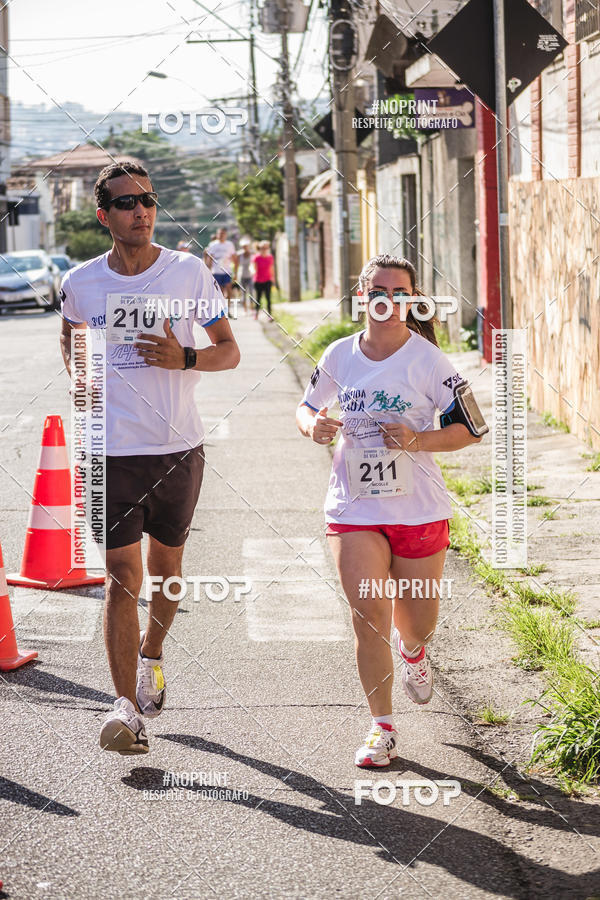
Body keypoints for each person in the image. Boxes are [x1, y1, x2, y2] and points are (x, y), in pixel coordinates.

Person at [59, 161, 240, 756]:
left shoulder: (187, 272)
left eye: (148, 200)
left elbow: (229, 351)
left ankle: (152, 655)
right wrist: (86, 389)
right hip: (109, 454)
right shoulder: (81, 283)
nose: (141, 210)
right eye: (126, 202)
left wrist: (183, 358)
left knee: (166, 571)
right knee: (121, 578)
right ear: (103, 214)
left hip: (176, 449)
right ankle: (126, 710)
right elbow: (72, 344)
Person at [296, 253, 486, 768]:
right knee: (368, 616)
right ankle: (382, 728)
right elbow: (307, 406)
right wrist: (312, 425)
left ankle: (414, 651)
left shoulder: (429, 361)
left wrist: (417, 439)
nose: (388, 301)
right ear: (362, 296)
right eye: (378, 291)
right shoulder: (339, 354)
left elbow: (472, 428)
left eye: (400, 293)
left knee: (416, 623)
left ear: (412, 301)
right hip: (354, 508)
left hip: (418, 510)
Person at [204, 227, 237, 304]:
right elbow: (210, 259)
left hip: (227, 271)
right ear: (217, 234)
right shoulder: (213, 244)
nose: (221, 235)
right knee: (220, 292)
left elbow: (235, 258)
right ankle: (221, 308)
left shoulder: (229, 244)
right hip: (216, 272)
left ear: (226, 235)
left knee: (229, 290)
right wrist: (208, 272)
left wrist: (235, 272)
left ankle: (228, 308)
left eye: (223, 233)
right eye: (219, 233)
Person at [252, 240, 275, 319]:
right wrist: (252, 272)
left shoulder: (270, 257)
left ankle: (269, 315)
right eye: (262, 248)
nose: (264, 249)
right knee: (258, 298)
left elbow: (271, 268)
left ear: (268, 248)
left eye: (266, 248)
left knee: (268, 298)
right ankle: (256, 314)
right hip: (258, 281)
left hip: (267, 280)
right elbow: (253, 268)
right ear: (259, 248)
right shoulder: (256, 257)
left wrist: (273, 278)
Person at [235, 237, 254, 314]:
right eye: (243, 246)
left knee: (251, 293)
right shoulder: (239, 254)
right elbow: (236, 265)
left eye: (246, 246)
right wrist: (235, 274)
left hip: (250, 275)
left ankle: (252, 309)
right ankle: (245, 310)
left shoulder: (252, 253)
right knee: (243, 293)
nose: (245, 247)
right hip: (242, 275)